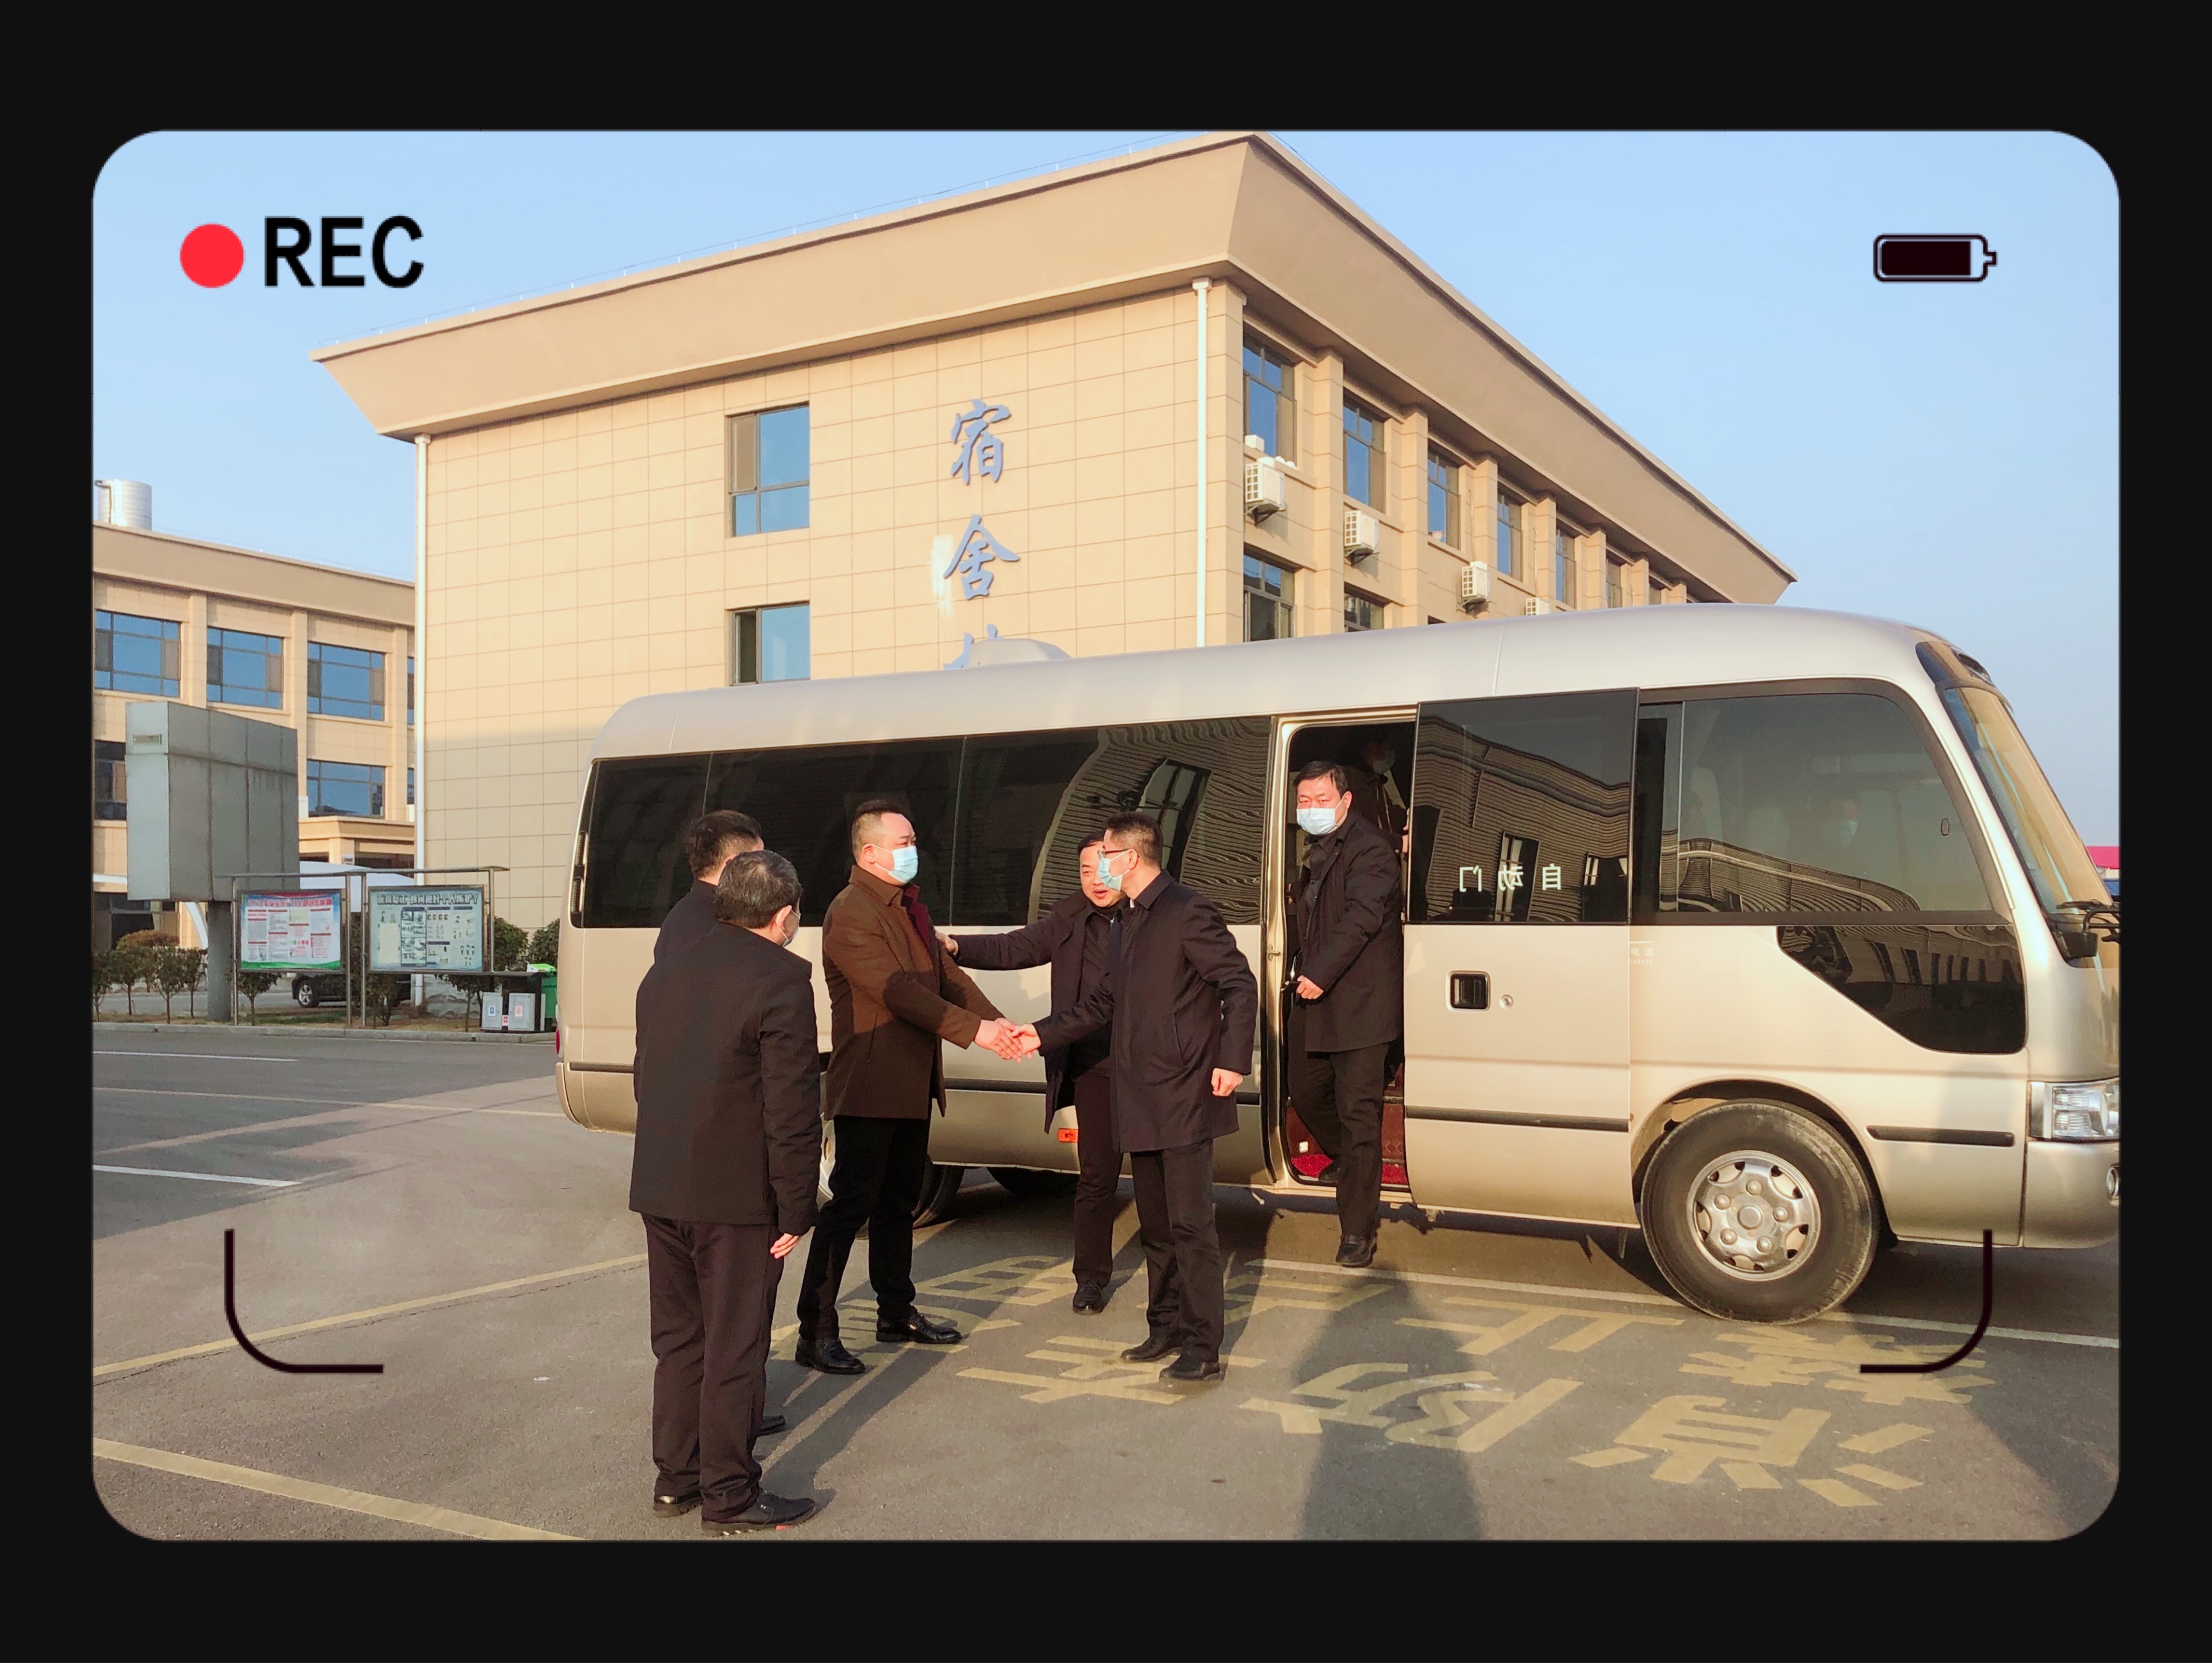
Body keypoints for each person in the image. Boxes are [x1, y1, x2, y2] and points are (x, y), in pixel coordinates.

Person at [1019, 812, 1258, 1386]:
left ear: (1129, 857)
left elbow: (1239, 982)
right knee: (1156, 1225)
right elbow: (1103, 1001)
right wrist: (1039, 1034)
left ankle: (1202, 1345)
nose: (1098, 864)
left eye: (1105, 853)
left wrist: (1232, 1059)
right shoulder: (1125, 920)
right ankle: (1164, 1326)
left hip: (1183, 1091)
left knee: (1191, 1225)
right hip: (1139, 1095)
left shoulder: (1187, 910)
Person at [794, 800, 1028, 1374]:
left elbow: (949, 979)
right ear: (869, 852)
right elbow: (899, 991)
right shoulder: (850, 911)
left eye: (914, 840)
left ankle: (895, 1311)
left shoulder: (909, 908)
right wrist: (976, 1033)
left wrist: (1002, 1027)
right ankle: (815, 1329)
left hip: (911, 1081)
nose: (913, 850)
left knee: (899, 1203)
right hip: (870, 1083)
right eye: (903, 842)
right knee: (851, 1206)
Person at [630, 849, 822, 1534]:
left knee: (680, 1341)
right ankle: (730, 1493)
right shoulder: (781, 979)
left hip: (661, 1185)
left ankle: (676, 1477)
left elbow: (645, 1077)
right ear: (785, 914)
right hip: (738, 1196)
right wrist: (797, 1204)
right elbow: (791, 1105)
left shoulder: (665, 972)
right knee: (735, 1347)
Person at [940, 832, 1122, 1313]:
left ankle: (1173, 1283)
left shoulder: (1146, 917)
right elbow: (1014, 948)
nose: (1096, 880)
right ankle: (1090, 1278)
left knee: (1155, 1178)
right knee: (1097, 1177)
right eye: (1085, 870)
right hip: (1093, 1066)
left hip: (1146, 1065)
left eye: (1104, 868)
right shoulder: (1070, 917)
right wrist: (956, 946)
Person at [1290, 759, 1405, 1268]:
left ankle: (1357, 1229)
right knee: (1304, 1089)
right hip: (1315, 997)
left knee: (1359, 1115)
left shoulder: (1371, 849)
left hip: (1360, 1002)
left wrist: (1319, 971)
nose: (1311, 808)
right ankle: (1354, 1164)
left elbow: (1361, 918)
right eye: (1304, 801)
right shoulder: (1315, 849)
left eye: (1321, 800)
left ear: (1345, 800)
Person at [656, 810, 765, 963]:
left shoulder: (680, 917)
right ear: (733, 864)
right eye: (759, 860)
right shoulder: (723, 922)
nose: (765, 869)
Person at [1347, 736, 1409, 849]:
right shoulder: (1353, 782)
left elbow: (1388, 815)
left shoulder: (1374, 781)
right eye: (1389, 747)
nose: (1391, 753)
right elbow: (1359, 829)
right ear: (1373, 746)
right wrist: (1399, 843)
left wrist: (1411, 816)